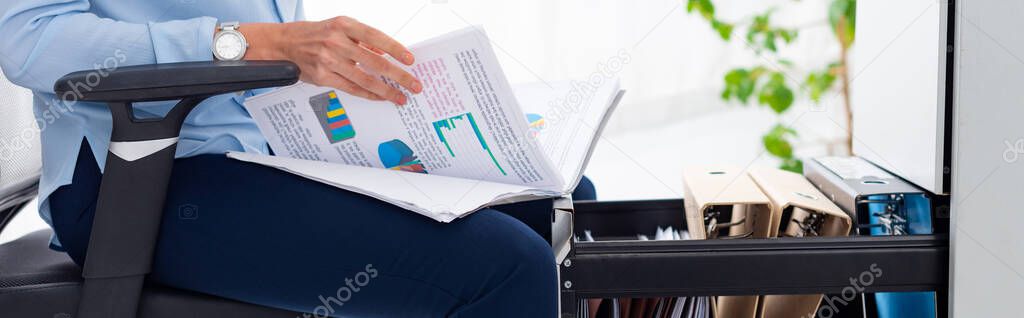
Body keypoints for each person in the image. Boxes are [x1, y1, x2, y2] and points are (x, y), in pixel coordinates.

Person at [0, 1, 595, 317]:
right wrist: (252, 43)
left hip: (263, 144)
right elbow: (27, 38)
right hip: (144, 179)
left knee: (556, 204)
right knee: (508, 264)